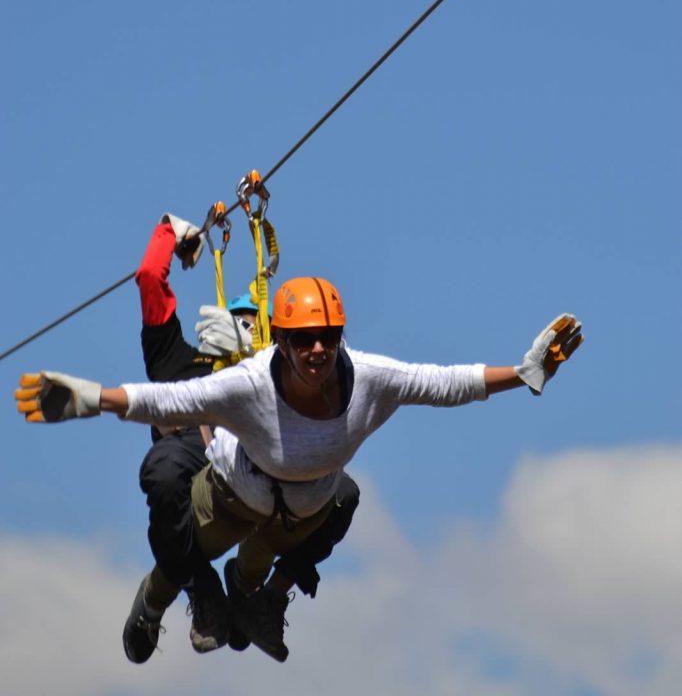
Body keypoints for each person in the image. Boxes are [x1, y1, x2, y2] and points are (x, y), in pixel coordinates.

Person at [15, 276, 583, 664]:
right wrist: (95, 397)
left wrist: (524, 371)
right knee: (184, 554)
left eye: (328, 337)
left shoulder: (371, 377)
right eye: (304, 340)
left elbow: (446, 382)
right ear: (281, 342)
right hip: (234, 493)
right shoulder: (249, 386)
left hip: (298, 514)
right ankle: (154, 602)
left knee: (275, 559)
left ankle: (252, 604)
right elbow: (172, 401)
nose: (318, 350)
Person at [124, 214, 360, 664]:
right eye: (240, 321)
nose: (247, 329)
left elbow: (328, 359)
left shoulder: (277, 377)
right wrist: (171, 230)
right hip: (199, 485)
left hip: (263, 480)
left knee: (341, 491)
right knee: (171, 470)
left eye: (257, 324)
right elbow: (150, 278)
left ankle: (260, 596)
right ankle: (169, 598)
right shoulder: (179, 360)